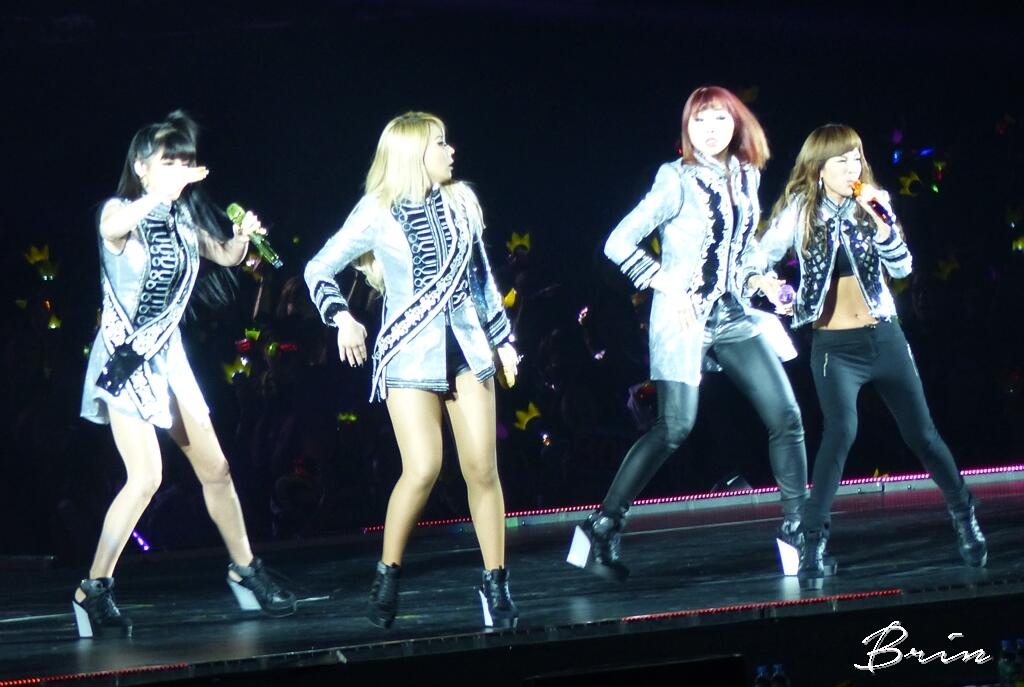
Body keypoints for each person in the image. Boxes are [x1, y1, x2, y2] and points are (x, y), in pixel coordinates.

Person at [567, 86, 807, 582]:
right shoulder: (674, 179)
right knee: (674, 427)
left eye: (719, 119)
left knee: (786, 416)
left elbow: (741, 253)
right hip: (682, 317)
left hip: (732, 314)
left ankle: (798, 532)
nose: (710, 130)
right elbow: (618, 241)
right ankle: (601, 526)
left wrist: (762, 280)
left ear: (736, 124)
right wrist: (665, 283)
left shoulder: (747, 175)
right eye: (700, 121)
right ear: (687, 129)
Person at [78, 111, 296, 638]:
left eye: (185, 161)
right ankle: (93, 589)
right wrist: (162, 192)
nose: (179, 169)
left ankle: (245, 570)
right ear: (141, 167)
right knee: (146, 477)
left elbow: (224, 255)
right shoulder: (118, 212)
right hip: (127, 360)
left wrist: (242, 238)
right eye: (168, 161)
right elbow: (113, 229)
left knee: (217, 469)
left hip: (168, 360)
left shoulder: (181, 222)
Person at [304, 112, 520, 629]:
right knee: (423, 468)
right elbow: (318, 268)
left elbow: (482, 279)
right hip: (408, 354)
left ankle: (496, 581)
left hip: (467, 351)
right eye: (440, 143)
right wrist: (342, 318)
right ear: (412, 154)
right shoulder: (377, 211)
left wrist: (503, 341)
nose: (451, 151)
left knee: (482, 470)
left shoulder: (462, 202)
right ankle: (388, 572)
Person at [754, 122, 987, 590]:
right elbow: (756, 260)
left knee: (922, 434)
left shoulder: (874, 202)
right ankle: (813, 543)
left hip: (884, 338)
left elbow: (902, 268)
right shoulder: (801, 211)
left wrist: (883, 225)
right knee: (840, 432)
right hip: (833, 347)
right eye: (840, 160)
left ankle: (964, 514)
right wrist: (771, 287)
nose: (851, 168)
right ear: (819, 168)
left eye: (856, 158)